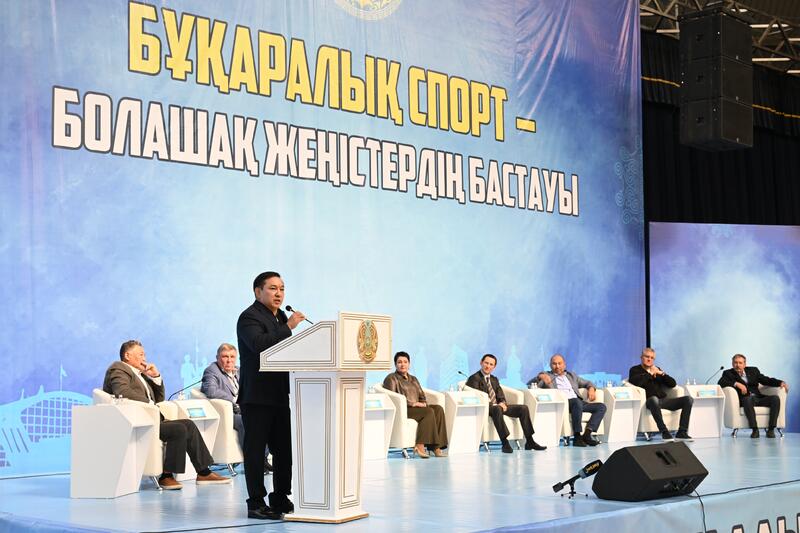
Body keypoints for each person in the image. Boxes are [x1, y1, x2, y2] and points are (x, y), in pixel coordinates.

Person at [103, 340, 231, 490]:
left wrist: (156, 376)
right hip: (138, 421)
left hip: (152, 419)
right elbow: (122, 392)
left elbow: (159, 398)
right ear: (127, 355)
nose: (144, 358)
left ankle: (203, 472)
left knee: (188, 424)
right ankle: (166, 476)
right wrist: (149, 403)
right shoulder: (118, 368)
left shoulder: (140, 374)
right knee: (178, 429)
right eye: (141, 354)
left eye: (144, 354)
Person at [237, 271, 306, 520]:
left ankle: (280, 496)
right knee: (256, 452)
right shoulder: (248, 317)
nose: (279, 294)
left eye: (282, 289)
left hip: (279, 393)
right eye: (273, 288)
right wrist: (289, 327)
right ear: (258, 292)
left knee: (283, 450)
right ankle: (256, 502)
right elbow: (259, 345)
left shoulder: (281, 317)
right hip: (256, 396)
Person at [200, 343, 273, 473]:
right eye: (225, 356)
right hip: (229, 413)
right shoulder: (211, 371)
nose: (229, 360)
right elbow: (211, 391)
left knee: (265, 418)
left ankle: (263, 459)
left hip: (244, 409)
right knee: (246, 421)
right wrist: (235, 400)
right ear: (217, 358)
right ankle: (253, 461)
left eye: (232, 357)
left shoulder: (239, 370)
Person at [466, 354, 546, 453]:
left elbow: (500, 394)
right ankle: (505, 443)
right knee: (497, 408)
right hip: (487, 408)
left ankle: (530, 441)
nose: (488, 366)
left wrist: (502, 402)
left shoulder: (494, 379)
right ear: (481, 363)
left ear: (494, 367)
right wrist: (495, 405)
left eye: (491, 364)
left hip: (498, 407)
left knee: (523, 408)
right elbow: (477, 397)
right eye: (486, 363)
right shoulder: (474, 378)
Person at [382, 351, 448, 458]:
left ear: (409, 364)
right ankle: (420, 445)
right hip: (404, 410)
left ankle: (437, 447)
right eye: (399, 362)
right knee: (428, 412)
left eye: (405, 362)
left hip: (417, 409)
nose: (402, 364)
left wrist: (423, 403)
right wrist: (413, 404)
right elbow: (393, 399)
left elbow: (422, 395)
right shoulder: (391, 378)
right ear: (395, 364)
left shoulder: (413, 379)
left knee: (438, 409)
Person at [533, 354, 606, 446]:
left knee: (601, 407)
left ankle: (587, 435)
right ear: (550, 365)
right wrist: (540, 376)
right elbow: (531, 384)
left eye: (559, 363)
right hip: (565, 403)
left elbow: (587, 383)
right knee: (576, 401)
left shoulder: (572, 376)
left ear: (564, 365)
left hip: (578, 403)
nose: (557, 366)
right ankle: (577, 436)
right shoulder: (547, 376)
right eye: (554, 364)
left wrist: (591, 389)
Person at [718, 353, 789, 438]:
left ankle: (771, 430)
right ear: (732, 364)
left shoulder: (753, 370)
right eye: (735, 363)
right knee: (748, 399)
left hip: (758, 398)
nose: (738, 365)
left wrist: (780, 382)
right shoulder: (728, 373)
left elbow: (766, 380)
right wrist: (736, 384)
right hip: (745, 399)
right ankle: (755, 430)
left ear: (745, 364)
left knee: (775, 398)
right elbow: (721, 382)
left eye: (740, 363)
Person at [628, 347, 693, 440]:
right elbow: (637, 382)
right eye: (647, 357)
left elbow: (672, 384)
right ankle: (664, 432)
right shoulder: (634, 370)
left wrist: (661, 373)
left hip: (663, 400)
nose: (649, 359)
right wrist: (650, 373)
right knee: (654, 399)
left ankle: (682, 432)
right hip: (649, 401)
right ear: (641, 357)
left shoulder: (656, 369)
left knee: (688, 399)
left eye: (652, 358)